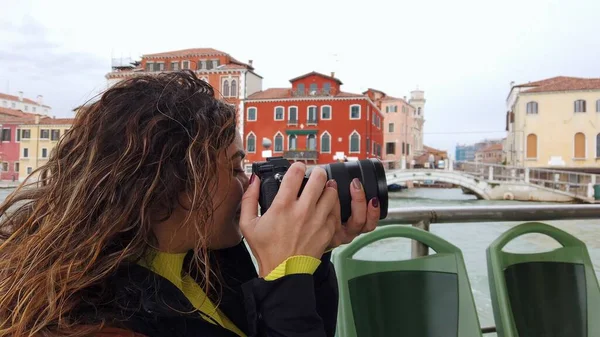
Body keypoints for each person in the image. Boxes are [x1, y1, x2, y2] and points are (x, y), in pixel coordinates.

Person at [0, 71, 380, 337]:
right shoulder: (94, 323)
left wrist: (307, 262)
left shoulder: (206, 263)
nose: (249, 183)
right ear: (170, 184)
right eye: (234, 167)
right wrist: (285, 275)